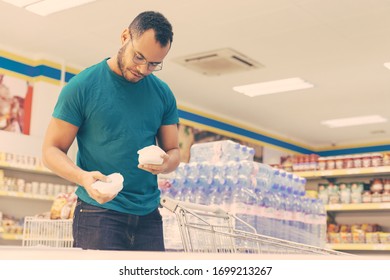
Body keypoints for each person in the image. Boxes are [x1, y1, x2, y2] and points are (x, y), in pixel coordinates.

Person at [42, 11, 180, 251]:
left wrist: (167, 164)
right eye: (139, 57)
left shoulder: (163, 94)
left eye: (154, 64)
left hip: (149, 215)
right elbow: (50, 150)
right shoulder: (82, 87)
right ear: (125, 36)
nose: (143, 69)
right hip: (98, 214)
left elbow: (174, 150)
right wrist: (83, 178)